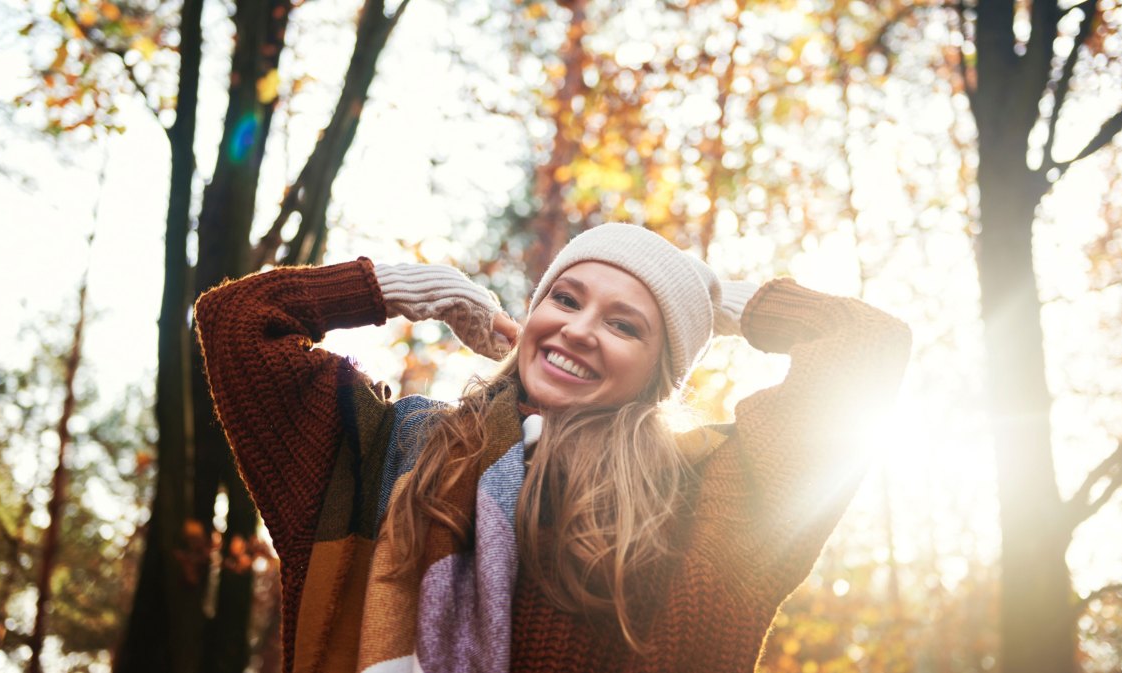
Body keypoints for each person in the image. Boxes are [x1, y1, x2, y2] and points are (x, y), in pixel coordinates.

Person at [194, 223, 911, 673]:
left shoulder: (709, 497)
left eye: (626, 324)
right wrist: (424, 291)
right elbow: (236, 321)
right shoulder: (390, 455)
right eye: (564, 299)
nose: (578, 329)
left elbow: (864, 345)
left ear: (661, 373)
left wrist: (720, 302)